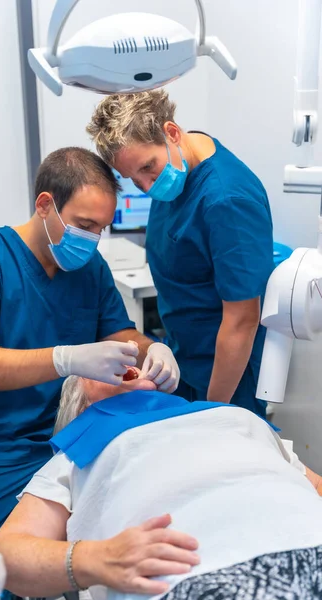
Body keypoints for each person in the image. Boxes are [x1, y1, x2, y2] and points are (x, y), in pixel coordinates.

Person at [0, 147, 180, 551]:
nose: (92, 240)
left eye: (101, 228)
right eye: (84, 225)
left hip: (74, 439)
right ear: (45, 205)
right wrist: (63, 358)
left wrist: (151, 348)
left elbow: (120, 334)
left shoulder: (89, 269)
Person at [0, 370, 322, 600]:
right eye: (98, 366)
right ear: (79, 405)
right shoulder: (76, 453)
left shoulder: (235, 416)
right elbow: (8, 554)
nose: (127, 362)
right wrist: (95, 559)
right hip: (200, 574)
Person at [87, 89, 276, 417]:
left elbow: (242, 320)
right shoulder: (178, 165)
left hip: (225, 376)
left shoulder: (226, 200)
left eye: (149, 168)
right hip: (184, 358)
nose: (147, 186)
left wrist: (214, 410)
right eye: (134, 179)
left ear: (172, 133)